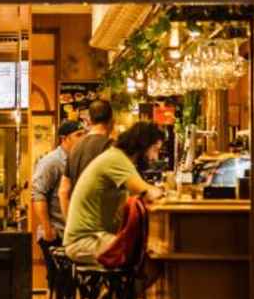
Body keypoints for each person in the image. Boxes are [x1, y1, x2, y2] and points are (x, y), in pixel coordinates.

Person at [62, 121, 166, 266]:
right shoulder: (117, 159)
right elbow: (147, 192)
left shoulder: (117, 157)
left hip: (92, 238)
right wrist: (166, 192)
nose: (155, 158)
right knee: (148, 257)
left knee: (147, 252)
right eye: (155, 150)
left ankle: (124, 289)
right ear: (143, 146)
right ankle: (128, 289)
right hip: (85, 241)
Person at [55, 99, 115, 228]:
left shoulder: (75, 148)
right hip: (102, 228)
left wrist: (70, 224)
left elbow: (63, 191)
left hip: (80, 228)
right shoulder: (110, 147)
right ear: (112, 121)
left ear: (89, 121)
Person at [29, 120, 86, 245]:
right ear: (64, 139)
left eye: (84, 134)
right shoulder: (52, 161)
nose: (83, 138)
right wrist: (47, 228)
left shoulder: (80, 159)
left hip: (75, 233)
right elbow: (38, 194)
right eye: (78, 135)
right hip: (57, 233)